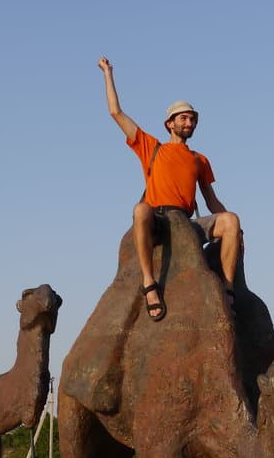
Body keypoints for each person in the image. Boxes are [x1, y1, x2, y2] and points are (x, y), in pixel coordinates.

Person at [98, 56, 242, 321]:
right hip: (160, 220)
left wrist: (236, 230)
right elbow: (116, 113)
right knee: (140, 210)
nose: (189, 123)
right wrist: (108, 73)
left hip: (186, 224)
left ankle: (228, 290)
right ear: (170, 123)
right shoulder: (152, 148)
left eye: (193, 119)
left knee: (231, 220)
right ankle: (149, 283)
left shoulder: (199, 159)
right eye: (184, 118)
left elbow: (211, 201)